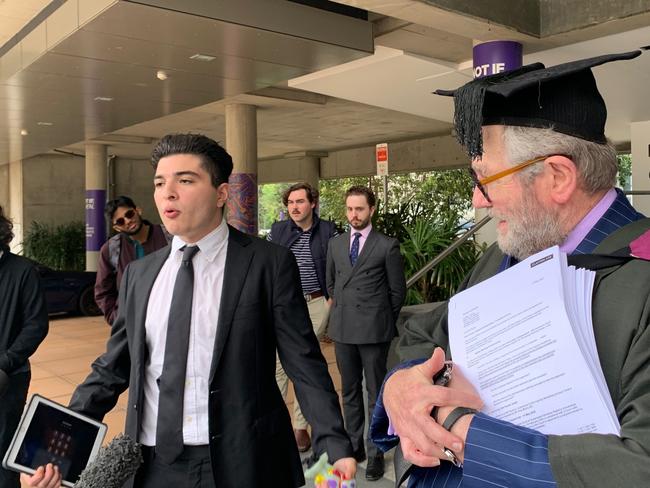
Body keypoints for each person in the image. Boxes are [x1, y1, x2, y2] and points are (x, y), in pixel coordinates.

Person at [369, 50, 650, 487]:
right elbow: (424, 334)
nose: (477, 200)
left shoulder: (641, 277)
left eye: (485, 177)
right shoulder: (504, 257)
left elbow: (640, 465)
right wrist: (402, 386)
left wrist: (462, 431)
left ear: (557, 176)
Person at [23, 133, 354, 488]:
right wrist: (53, 451)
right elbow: (112, 368)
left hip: (244, 460)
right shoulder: (140, 274)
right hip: (155, 464)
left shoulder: (267, 264)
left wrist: (334, 444)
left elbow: (302, 362)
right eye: (160, 183)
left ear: (221, 194)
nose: (168, 192)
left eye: (185, 180)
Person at [326, 186, 406, 481]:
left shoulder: (387, 245)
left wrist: (381, 319)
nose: (353, 215)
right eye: (349, 209)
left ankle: (375, 453)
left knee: (375, 393)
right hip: (344, 328)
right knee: (348, 391)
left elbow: (398, 292)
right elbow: (331, 284)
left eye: (359, 209)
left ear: (371, 210)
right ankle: (354, 446)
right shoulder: (336, 244)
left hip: (374, 330)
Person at [268, 182, 338, 453]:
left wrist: (331, 300)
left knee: (304, 363)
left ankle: (300, 427)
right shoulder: (279, 231)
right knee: (277, 366)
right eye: (291, 203)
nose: (295, 207)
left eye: (300, 202)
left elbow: (334, 266)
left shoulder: (328, 231)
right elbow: (269, 264)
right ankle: (276, 424)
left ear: (312, 204)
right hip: (284, 303)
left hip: (317, 302)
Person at [0, 206, 49, 488]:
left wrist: (6, 362)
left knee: (3, 449)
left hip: (9, 377)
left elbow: (36, 325)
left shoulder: (23, 271)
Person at [94, 196, 170, 325]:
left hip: (168, 319)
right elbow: (103, 291)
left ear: (138, 211)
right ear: (116, 228)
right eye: (120, 221)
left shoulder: (168, 236)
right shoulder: (111, 249)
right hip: (132, 324)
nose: (128, 221)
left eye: (129, 214)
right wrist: (117, 318)